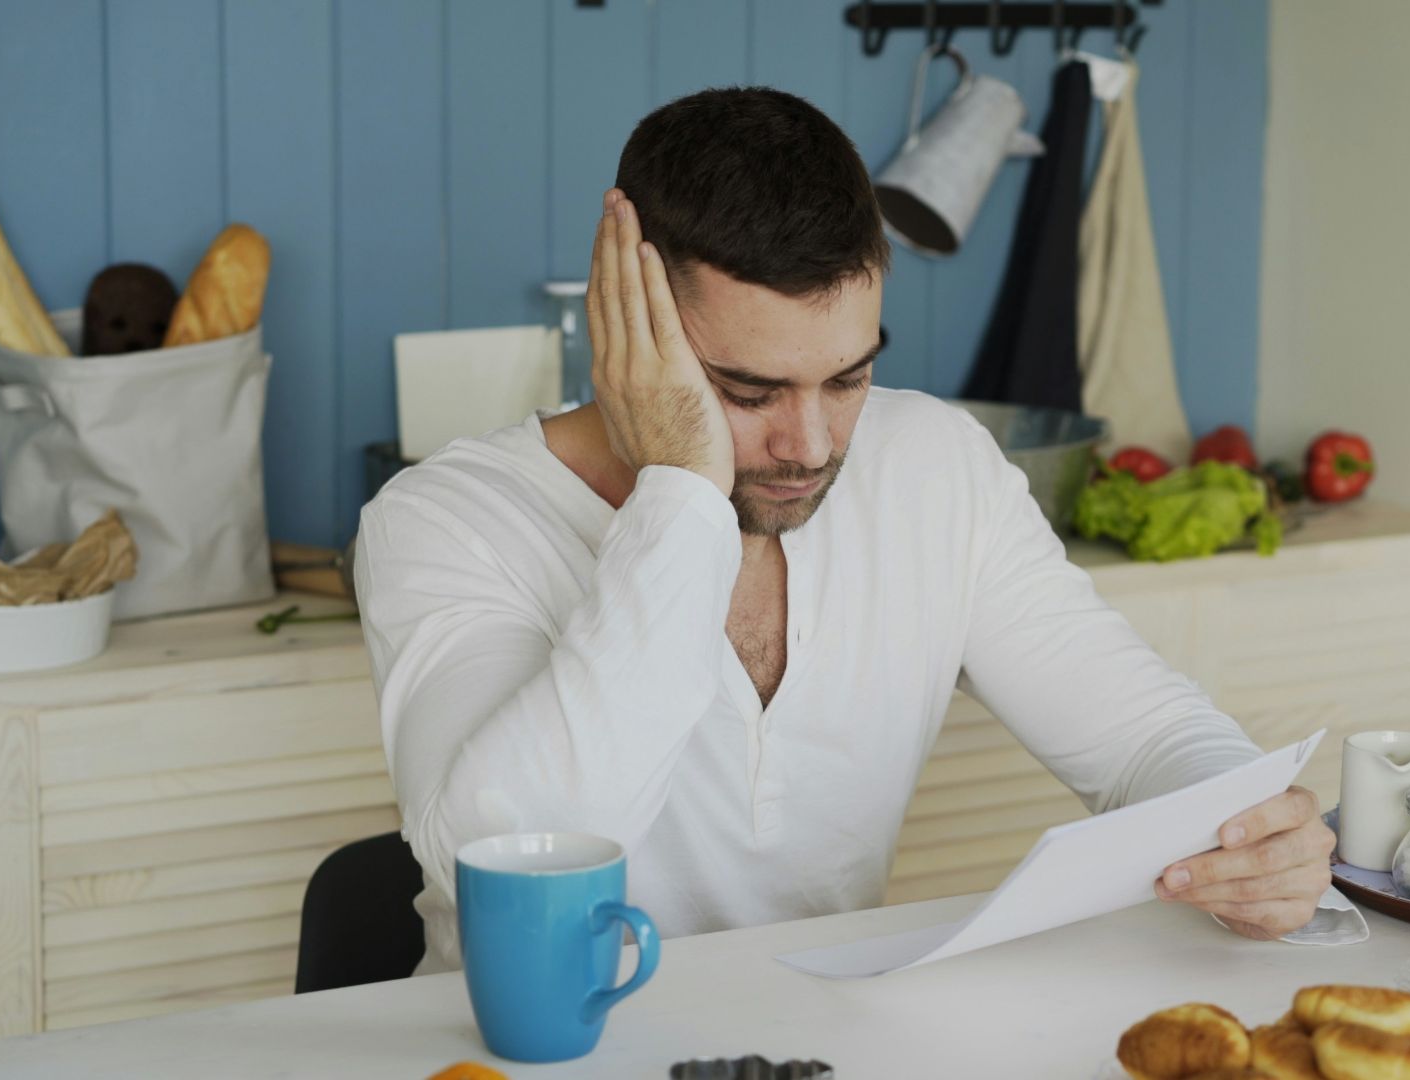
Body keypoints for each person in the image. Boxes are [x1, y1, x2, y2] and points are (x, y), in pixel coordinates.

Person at [354, 88, 1334, 974]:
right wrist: (681, 491)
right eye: (747, 391)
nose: (810, 444)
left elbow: (1144, 739)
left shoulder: (938, 467)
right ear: (627, 331)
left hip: (821, 1041)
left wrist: (1248, 828)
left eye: (849, 377)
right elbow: (508, 853)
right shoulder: (445, 521)